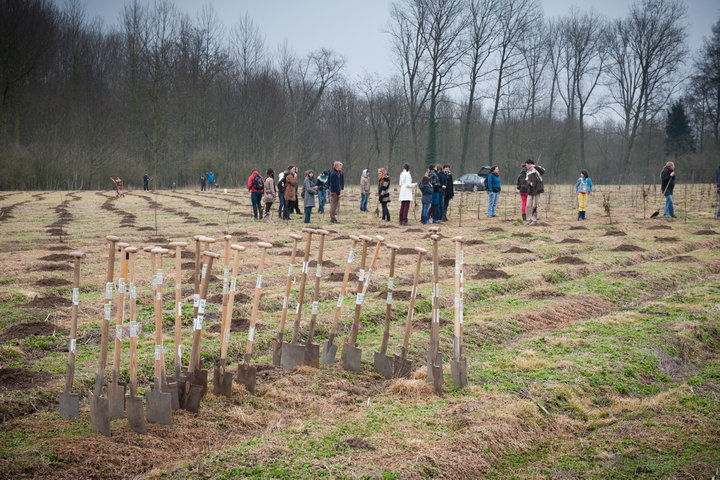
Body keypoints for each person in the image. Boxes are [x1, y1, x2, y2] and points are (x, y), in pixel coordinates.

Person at [525, 160, 545, 225]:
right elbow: (526, 180)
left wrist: (535, 166)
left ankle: (534, 220)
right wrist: (529, 183)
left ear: (530, 164)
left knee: (534, 206)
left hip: (537, 190)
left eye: (526, 164)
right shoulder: (527, 172)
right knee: (528, 205)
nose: (526, 166)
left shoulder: (537, 169)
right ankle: (528, 219)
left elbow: (543, 171)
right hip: (530, 191)